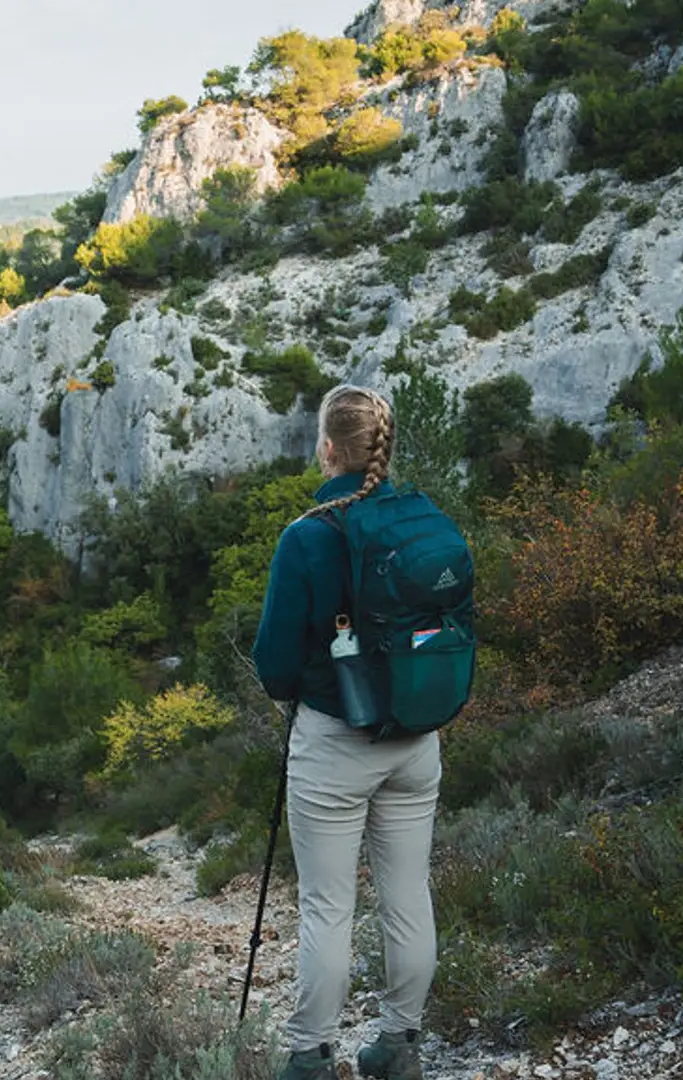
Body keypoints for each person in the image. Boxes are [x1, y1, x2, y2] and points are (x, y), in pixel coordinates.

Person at [251, 384, 440, 1080]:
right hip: (417, 737)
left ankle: (310, 1054)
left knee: (329, 906)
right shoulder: (421, 516)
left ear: (329, 448)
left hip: (334, 741)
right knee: (408, 892)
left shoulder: (306, 536)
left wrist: (292, 692)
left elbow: (273, 659)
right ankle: (400, 1045)